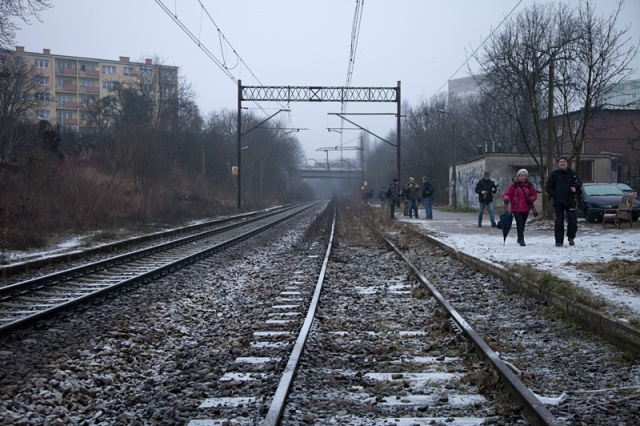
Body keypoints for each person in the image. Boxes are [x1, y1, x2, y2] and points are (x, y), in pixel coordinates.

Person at [546, 156, 582, 247]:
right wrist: (554, 195)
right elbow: (548, 187)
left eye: (564, 162)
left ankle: (571, 237)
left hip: (570, 201)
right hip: (558, 202)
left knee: (573, 221)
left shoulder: (572, 174)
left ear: (567, 164)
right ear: (558, 164)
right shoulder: (554, 174)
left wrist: (576, 189)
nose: (562, 163)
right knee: (559, 222)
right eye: (560, 162)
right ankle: (559, 241)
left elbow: (579, 184)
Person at [503, 169, 538, 246]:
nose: (523, 177)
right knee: (520, 223)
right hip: (516, 208)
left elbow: (534, 195)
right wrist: (506, 199)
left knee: (523, 223)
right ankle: (521, 238)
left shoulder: (530, 185)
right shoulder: (514, 185)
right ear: (518, 176)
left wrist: (531, 199)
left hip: (526, 207)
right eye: (521, 175)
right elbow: (507, 193)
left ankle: (520, 237)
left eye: (524, 175)